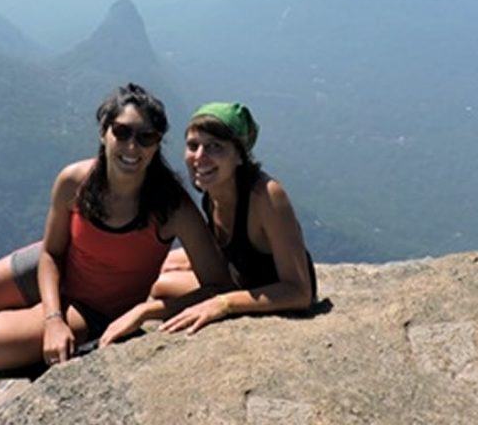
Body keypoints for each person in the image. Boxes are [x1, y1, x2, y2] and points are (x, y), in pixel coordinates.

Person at [0, 83, 231, 370]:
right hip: (58, 263)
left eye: (146, 137)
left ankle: (27, 313)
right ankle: (34, 306)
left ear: (157, 145)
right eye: (122, 131)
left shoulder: (171, 207)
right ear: (104, 132)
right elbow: (51, 252)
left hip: (95, 308)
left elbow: (217, 286)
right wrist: (52, 319)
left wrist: (146, 311)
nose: (132, 146)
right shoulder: (74, 181)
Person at [99, 102, 317, 344]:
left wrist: (223, 304)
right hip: (235, 279)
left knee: (159, 285)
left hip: (266, 293)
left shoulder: (265, 196)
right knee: (161, 271)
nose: (199, 157)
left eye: (215, 147)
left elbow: (301, 292)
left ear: (239, 156)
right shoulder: (213, 193)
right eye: (193, 146)